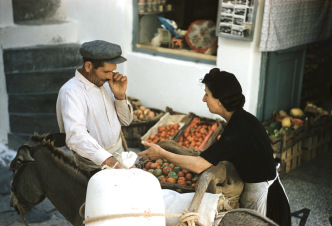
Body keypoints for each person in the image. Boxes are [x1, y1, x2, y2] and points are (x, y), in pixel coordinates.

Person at [138, 68, 291, 226]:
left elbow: (199, 165)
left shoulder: (238, 128)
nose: (204, 99)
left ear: (220, 100)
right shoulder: (241, 119)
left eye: (207, 94)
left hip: (263, 194)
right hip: (259, 185)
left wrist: (163, 153)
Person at [56, 40, 134, 169]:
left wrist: (120, 96)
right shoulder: (71, 92)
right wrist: (109, 161)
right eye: (106, 72)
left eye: (112, 71)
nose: (110, 77)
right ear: (88, 66)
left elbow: (126, 121)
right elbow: (76, 136)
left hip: (118, 156)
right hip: (93, 165)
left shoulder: (108, 84)